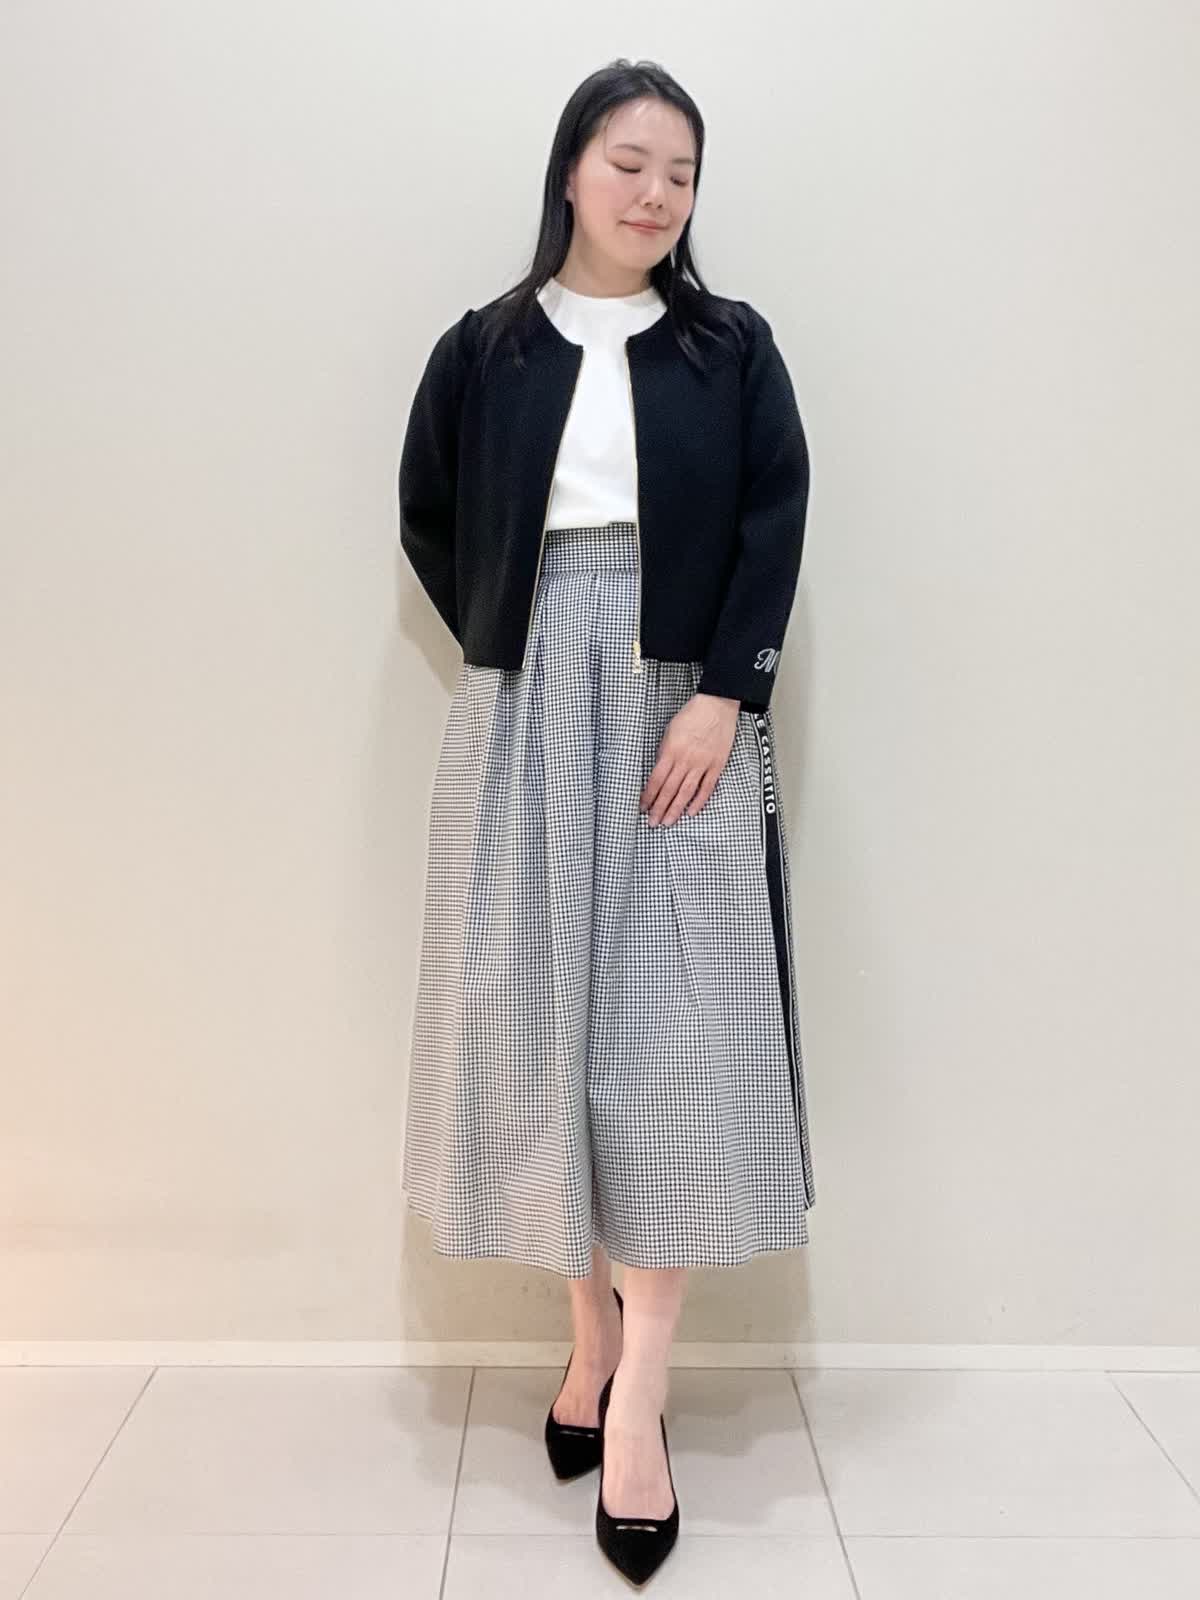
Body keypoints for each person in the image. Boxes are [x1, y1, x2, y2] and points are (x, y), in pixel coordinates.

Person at [397, 58, 815, 1586]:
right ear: (571, 169)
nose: (655, 194)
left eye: (681, 174)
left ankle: (638, 1399)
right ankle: (586, 1339)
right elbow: (428, 511)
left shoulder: (729, 346)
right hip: (522, 700)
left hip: (681, 701)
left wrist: (724, 693)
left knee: (674, 1046)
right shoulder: (487, 347)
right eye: (630, 162)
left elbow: (777, 513)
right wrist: (510, 647)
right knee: (535, 1033)